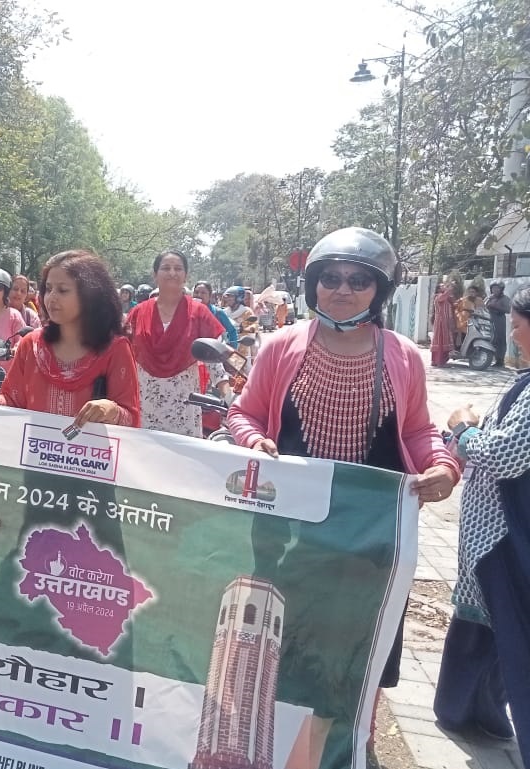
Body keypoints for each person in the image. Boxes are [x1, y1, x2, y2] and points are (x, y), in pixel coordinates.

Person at [226, 227, 460, 767]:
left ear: (380, 291)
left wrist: (443, 466)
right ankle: (274, 745)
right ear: (313, 285)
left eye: (358, 281)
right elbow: (244, 412)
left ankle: (352, 744)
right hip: (289, 535)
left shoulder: (402, 356)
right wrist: (252, 440)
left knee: (359, 646)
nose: (343, 290)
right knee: (283, 642)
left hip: (369, 539)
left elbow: (419, 430)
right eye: (330, 278)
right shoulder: (281, 347)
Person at [434, 286, 530, 764]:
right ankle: (467, 711)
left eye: (518, 323)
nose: (512, 331)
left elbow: (507, 455)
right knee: (479, 624)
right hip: (491, 531)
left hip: (506, 536)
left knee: (509, 631)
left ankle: (481, 713)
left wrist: (463, 428)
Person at [0, 249, 140, 428]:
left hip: (90, 451)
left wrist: (111, 411)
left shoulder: (115, 348)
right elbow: (12, 402)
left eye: (63, 290)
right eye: (49, 289)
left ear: (90, 296)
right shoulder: (31, 345)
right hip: (33, 449)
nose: (51, 298)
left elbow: (131, 419)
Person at [127, 251, 224, 437]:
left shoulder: (199, 313)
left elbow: (214, 358)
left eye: (178, 268)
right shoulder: (138, 313)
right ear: (155, 275)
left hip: (184, 407)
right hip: (145, 405)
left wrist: (227, 394)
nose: (172, 273)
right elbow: (123, 356)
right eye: (166, 268)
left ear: (186, 275)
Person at [193, 281, 238, 347]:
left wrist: (232, 348)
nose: (199, 295)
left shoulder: (217, 313)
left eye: (203, 293)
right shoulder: (188, 312)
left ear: (210, 296)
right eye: (196, 292)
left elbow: (232, 332)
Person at [484, 281, 511, 367]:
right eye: (493, 288)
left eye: (497, 288)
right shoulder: (489, 297)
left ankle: (500, 360)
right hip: (488, 319)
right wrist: (488, 300)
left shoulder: (505, 298)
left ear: (501, 289)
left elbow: (508, 310)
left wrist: (495, 306)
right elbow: (483, 306)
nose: (495, 290)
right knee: (490, 339)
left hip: (499, 320)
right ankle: (487, 358)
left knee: (500, 339)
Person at [430, 281, 457, 367]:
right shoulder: (438, 296)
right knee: (440, 341)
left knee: (443, 341)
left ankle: (436, 361)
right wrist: (450, 287)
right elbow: (444, 296)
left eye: (444, 286)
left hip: (446, 322)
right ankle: (439, 362)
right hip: (441, 322)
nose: (444, 287)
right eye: (442, 286)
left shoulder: (447, 298)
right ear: (438, 289)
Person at [455, 284, 483, 348]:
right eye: (469, 292)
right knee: (464, 339)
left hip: (476, 322)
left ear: (476, 293)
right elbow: (456, 309)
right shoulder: (463, 300)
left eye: (473, 292)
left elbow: (482, 311)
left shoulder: (480, 301)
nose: (471, 293)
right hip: (464, 323)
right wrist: (459, 316)